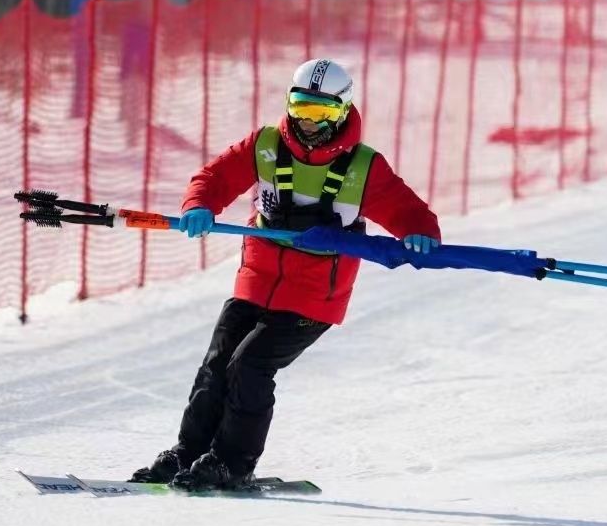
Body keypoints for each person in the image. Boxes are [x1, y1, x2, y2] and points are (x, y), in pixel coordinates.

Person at [132, 57, 441, 491]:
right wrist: (198, 206)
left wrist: (420, 234)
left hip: (315, 296)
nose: (308, 122)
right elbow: (214, 177)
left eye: (322, 112)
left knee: (251, 367)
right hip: (256, 279)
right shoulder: (265, 145)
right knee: (217, 364)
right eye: (301, 108)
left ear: (342, 111)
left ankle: (232, 463)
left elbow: (408, 211)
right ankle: (190, 451)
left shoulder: (363, 167)